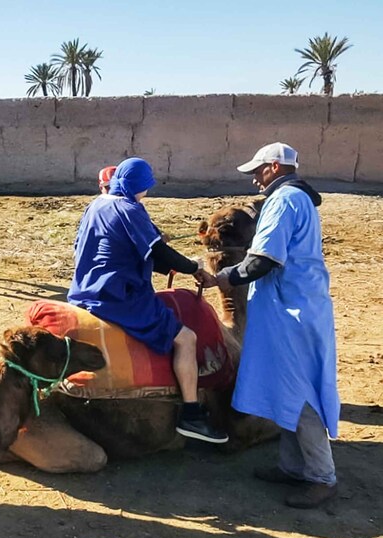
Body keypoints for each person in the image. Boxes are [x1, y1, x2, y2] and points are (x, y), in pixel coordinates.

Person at [213, 142, 339, 508]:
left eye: (257, 170)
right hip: (294, 307)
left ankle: (321, 475)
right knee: (287, 389)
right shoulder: (295, 200)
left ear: (274, 167)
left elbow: (263, 259)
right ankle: (292, 466)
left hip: (291, 313)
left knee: (301, 394)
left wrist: (224, 277)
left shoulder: (284, 202)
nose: (254, 177)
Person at [68, 157, 228, 443]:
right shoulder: (131, 208)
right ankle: (191, 414)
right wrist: (195, 269)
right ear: (140, 186)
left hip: (84, 291)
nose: (146, 193)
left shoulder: (96, 205)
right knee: (186, 338)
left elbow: (127, 250)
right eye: (146, 187)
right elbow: (159, 254)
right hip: (117, 296)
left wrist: (171, 261)